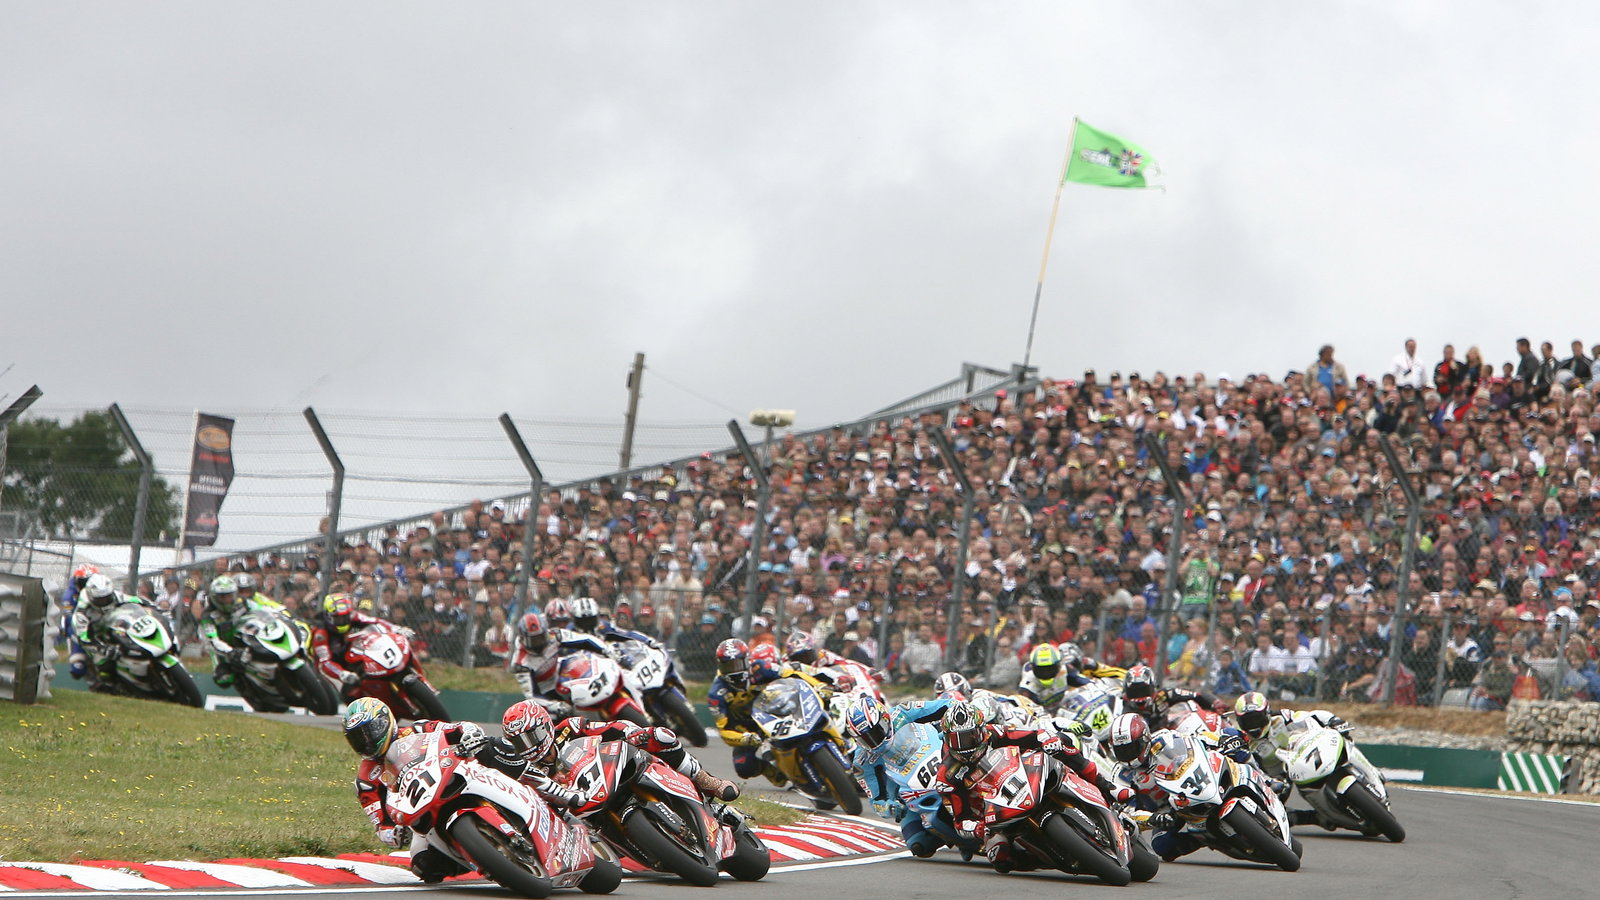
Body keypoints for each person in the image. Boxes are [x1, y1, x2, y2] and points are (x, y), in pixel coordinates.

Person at [937, 699, 1127, 873]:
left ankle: (1107, 787)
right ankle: (1045, 859)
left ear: (981, 730)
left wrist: (1048, 740)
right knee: (999, 857)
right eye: (957, 740)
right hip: (993, 815)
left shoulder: (994, 733)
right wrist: (978, 828)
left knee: (1061, 745)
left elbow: (1032, 736)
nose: (965, 745)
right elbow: (961, 820)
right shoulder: (947, 776)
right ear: (947, 739)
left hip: (1022, 780)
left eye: (969, 737)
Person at [343, 697, 504, 884]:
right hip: (424, 816)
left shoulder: (416, 729)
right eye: (358, 738)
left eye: (370, 732)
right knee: (422, 865)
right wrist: (394, 834)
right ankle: (484, 862)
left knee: (494, 748)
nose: (367, 741)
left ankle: (536, 781)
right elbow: (380, 826)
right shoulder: (366, 780)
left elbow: (457, 728)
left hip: (454, 777)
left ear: (385, 721)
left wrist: (469, 733)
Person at [501, 699, 738, 802]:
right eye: (521, 743)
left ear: (545, 726)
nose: (529, 746)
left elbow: (609, 728)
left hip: (611, 769)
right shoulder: (528, 770)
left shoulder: (568, 728)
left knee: (661, 736)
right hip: (583, 802)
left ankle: (706, 781)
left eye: (532, 737)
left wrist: (633, 733)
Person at [707, 638, 839, 786]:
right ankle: (776, 772)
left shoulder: (761, 667)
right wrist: (744, 738)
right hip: (747, 727)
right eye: (728, 666)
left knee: (820, 709)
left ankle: (840, 741)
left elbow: (791, 674)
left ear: (747, 661)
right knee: (743, 766)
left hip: (774, 710)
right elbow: (723, 730)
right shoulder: (716, 694)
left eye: (737, 664)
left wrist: (818, 685)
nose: (734, 671)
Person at [846, 694, 955, 858]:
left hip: (939, 755)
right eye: (864, 739)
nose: (872, 742)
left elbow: (946, 705)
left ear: (885, 719)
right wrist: (891, 807)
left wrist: (958, 714)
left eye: (875, 733)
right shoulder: (862, 761)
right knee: (919, 845)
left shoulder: (903, 712)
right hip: (909, 794)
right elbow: (876, 800)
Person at [1231, 691, 1351, 827]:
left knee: (1341, 739)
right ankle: (1315, 818)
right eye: (1247, 722)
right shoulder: (1245, 743)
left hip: (1304, 757)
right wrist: (1269, 783)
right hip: (1278, 777)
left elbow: (1311, 716)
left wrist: (1333, 721)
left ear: (1267, 713)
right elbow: (1253, 768)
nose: (1253, 725)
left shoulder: (1282, 718)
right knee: (1265, 817)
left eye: (1256, 719)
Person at [507, 608, 608, 717]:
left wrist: (606, 649)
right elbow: (531, 696)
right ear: (523, 639)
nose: (539, 643)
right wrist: (555, 706)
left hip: (562, 673)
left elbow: (585, 640)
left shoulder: (554, 635)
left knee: (579, 659)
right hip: (546, 692)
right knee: (558, 719)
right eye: (534, 640)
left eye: (541, 637)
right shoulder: (520, 663)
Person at [68, 573, 152, 691]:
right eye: (101, 600)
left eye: (107, 598)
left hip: (113, 626)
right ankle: (112, 686)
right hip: (96, 637)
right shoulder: (82, 613)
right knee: (103, 663)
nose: (105, 601)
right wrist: (102, 648)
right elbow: (84, 639)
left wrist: (153, 606)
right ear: (92, 597)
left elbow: (134, 600)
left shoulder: (115, 595)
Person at [195, 575, 281, 689]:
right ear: (215, 598)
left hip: (246, 638)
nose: (227, 600)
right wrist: (231, 651)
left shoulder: (243, 602)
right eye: (223, 597)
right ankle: (246, 688)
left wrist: (276, 617)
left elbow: (261, 609)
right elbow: (213, 641)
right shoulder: (208, 616)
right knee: (223, 679)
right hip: (224, 648)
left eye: (230, 596)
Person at [309, 593, 400, 699]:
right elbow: (324, 662)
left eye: (345, 617)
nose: (343, 621)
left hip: (348, 656)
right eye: (338, 618)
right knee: (349, 692)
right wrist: (342, 674)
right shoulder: (321, 633)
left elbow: (374, 621)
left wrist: (395, 628)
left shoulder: (353, 616)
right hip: (331, 665)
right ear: (329, 616)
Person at [1122, 663, 1225, 728]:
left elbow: (1196, 695)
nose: (1140, 696)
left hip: (1168, 741)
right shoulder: (1123, 708)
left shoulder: (1164, 695)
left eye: (1143, 690)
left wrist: (1214, 703)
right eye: (1135, 691)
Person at [1017, 643, 1092, 709]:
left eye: (1050, 669)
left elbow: (1089, 684)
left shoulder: (1065, 670)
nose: (1046, 673)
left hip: (1064, 711)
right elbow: (1023, 708)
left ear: (1059, 666)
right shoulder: (1027, 686)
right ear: (1033, 668)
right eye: (1041, 670)